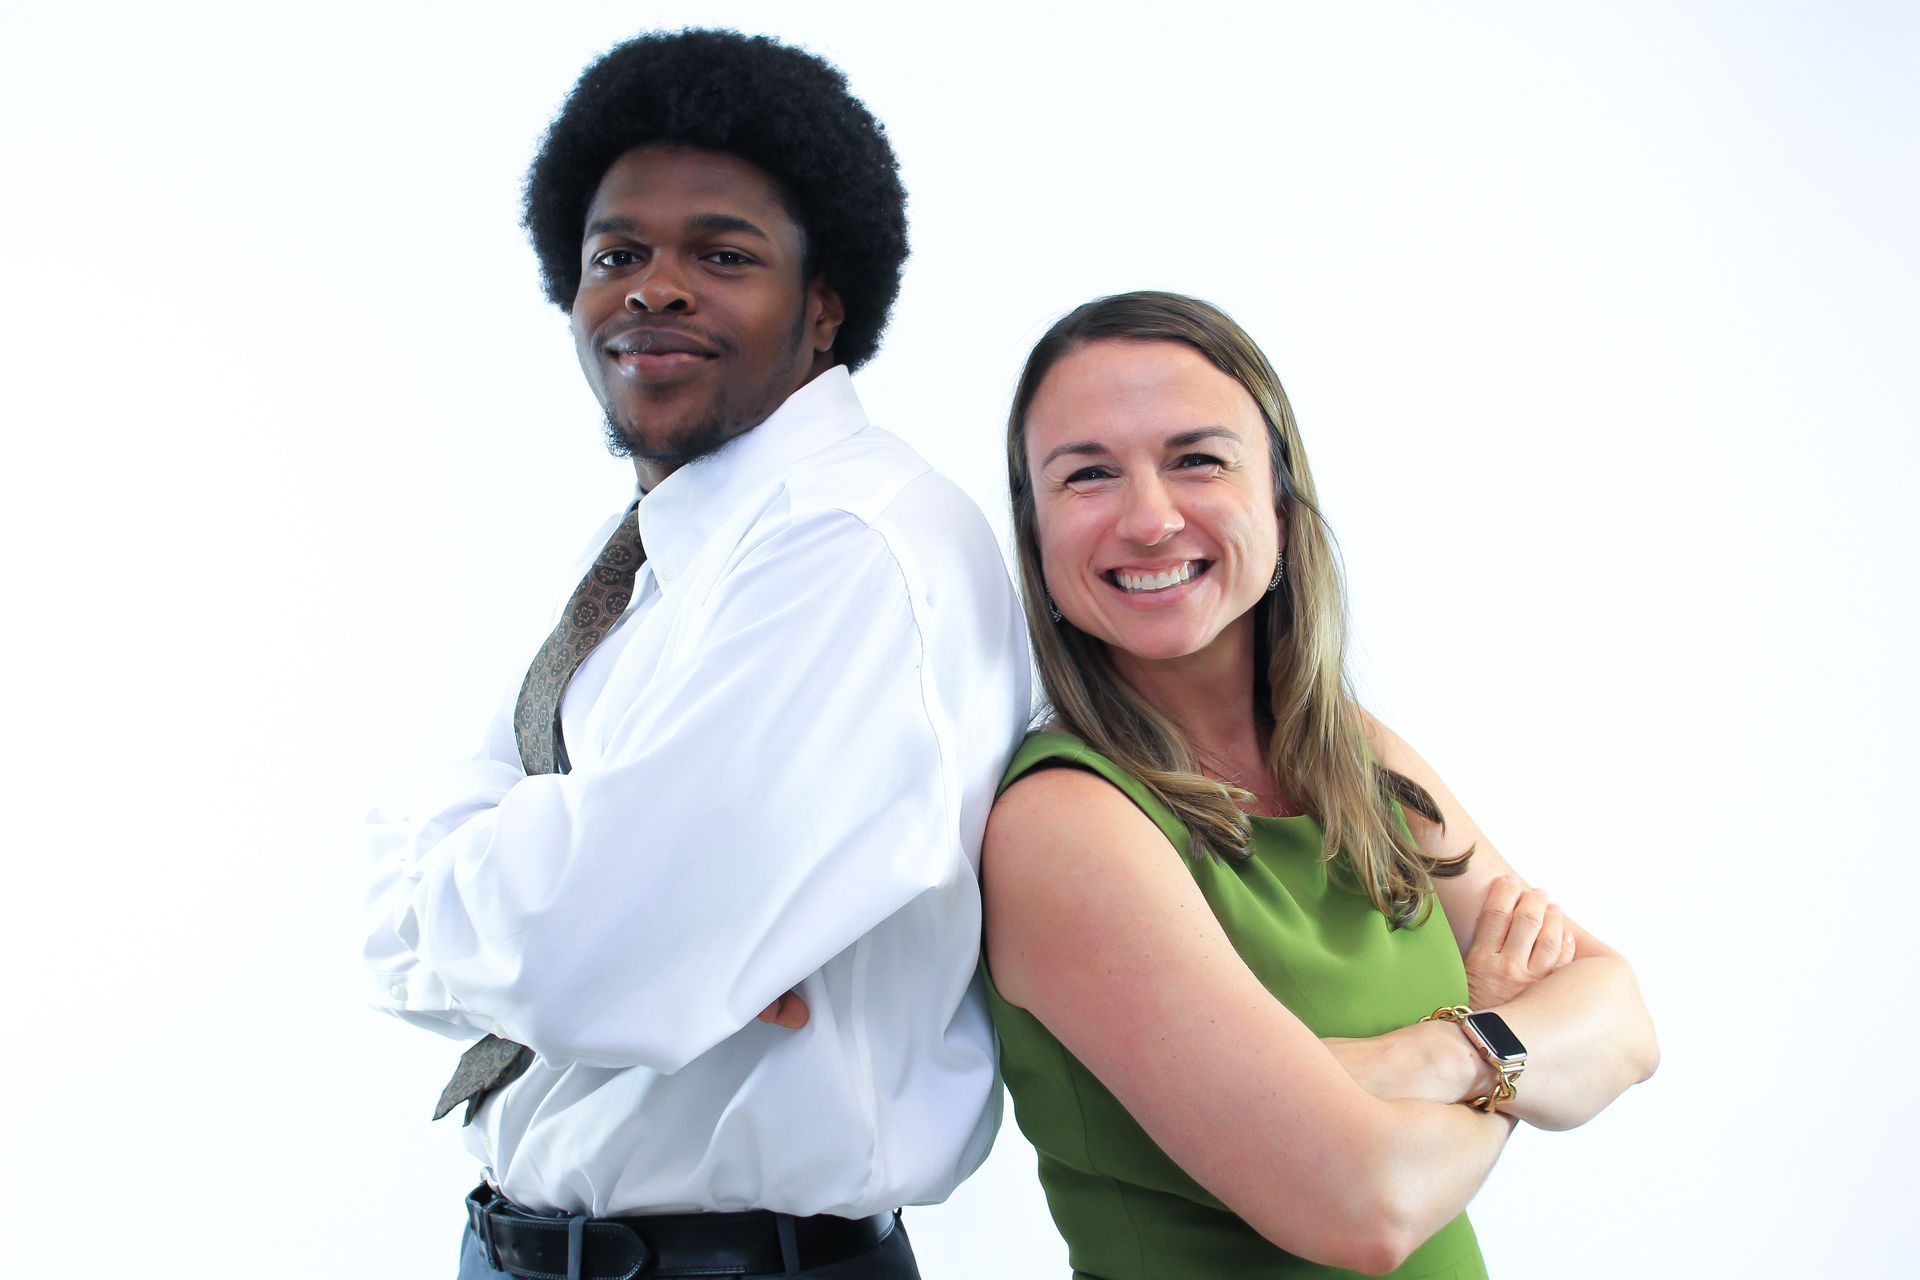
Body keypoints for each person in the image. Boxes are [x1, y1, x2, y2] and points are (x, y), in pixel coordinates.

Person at [361, 30, 1029, 1280]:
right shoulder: (665, 560)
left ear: (825, 302)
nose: (651, 288)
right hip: (525, 1247)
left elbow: (572, 950)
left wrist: (562, 892)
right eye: (617, 253)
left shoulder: (848, 548)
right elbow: (433, 909)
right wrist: (620, 930)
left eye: (722, 254)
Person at [982, 291, 1658, 1278]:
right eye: (1087, 475)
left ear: (1284, 507)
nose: (1149, 516)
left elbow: (1623, 1018)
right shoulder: (1065, 821)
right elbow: (1368, 1205)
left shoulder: (1356, 757)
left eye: (1196, 459)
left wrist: (1435, 1055)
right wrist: (1509, 1050)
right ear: (1039, 540)